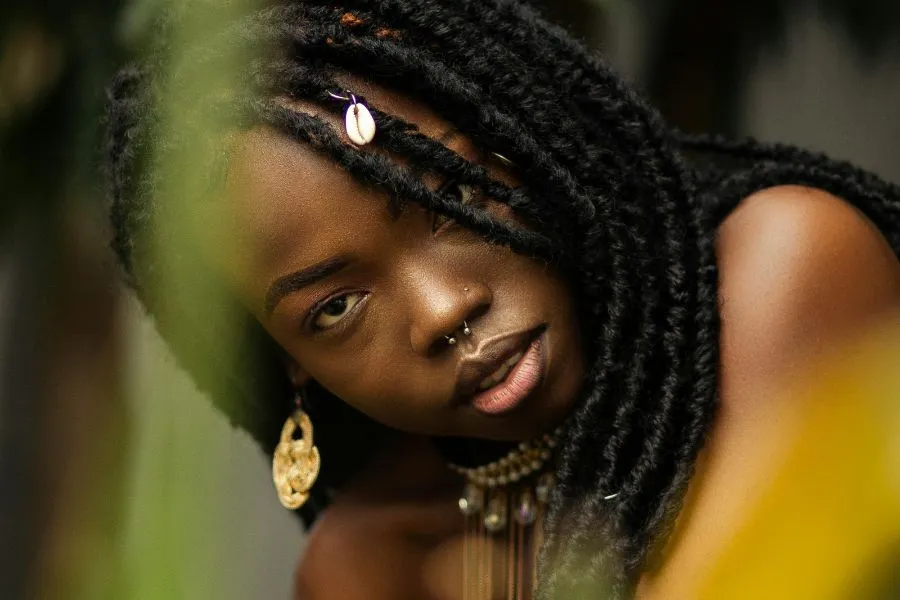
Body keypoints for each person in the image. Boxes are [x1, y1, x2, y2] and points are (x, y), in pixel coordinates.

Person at [103, 1, 900, 598]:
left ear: (519, 142)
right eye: (336, 308)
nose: (445, 311)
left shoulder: (787, 266)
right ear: (293, 367)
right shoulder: (369, 563)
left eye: (452, 194)